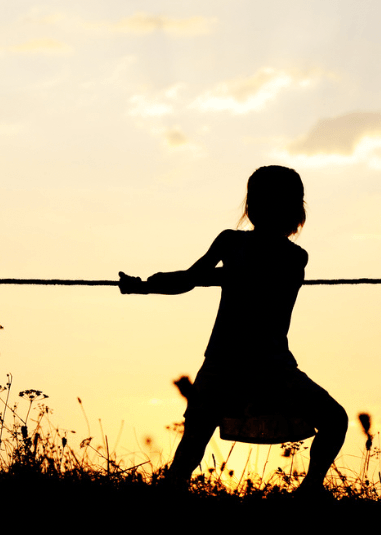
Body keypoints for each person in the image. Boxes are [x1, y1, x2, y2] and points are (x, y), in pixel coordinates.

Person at [119, 165, 347, 496]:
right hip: (235, 362)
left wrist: (157, 284)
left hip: (264, 364)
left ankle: (308, 491)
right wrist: (145, 286)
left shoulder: (293, 257)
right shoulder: (234, 243)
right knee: (194, 439)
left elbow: (204, 278)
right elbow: (189, 278)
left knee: (333, 419)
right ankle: (171, 491)